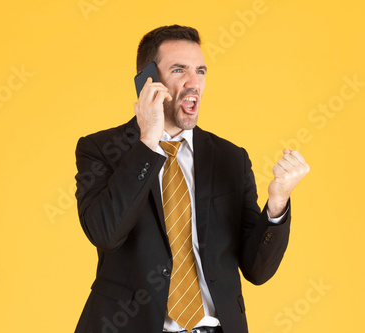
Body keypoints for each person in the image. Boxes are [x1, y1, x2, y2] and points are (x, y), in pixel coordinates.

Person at [73, 25, 309, 333]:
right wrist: (147, 143)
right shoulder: (102, 149)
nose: (193, 82)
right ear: (148, 81)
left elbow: (257, 269)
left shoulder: (230, 158)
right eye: (179, 70)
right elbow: (105, 232)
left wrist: (278, 202)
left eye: (200, 71)